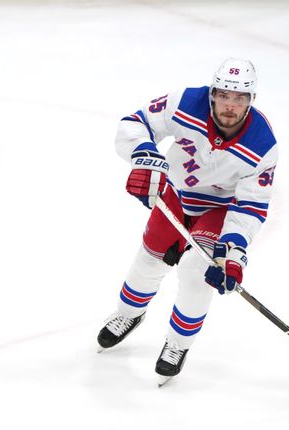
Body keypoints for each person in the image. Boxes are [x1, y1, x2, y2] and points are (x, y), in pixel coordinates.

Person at [97, 58, 277, 384]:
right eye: (224, 95)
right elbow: (136, 123)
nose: (230, 105)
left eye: (240, 98)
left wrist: (232, 254)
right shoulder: (185, 102)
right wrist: (145, 157)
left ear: (251, 100)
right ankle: (128, 315)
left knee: (196, 272)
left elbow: (251, 206)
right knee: (148, 259)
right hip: (177, 194)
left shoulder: (262, 145)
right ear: (212, 94)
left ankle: (177, 345)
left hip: (218, 210)